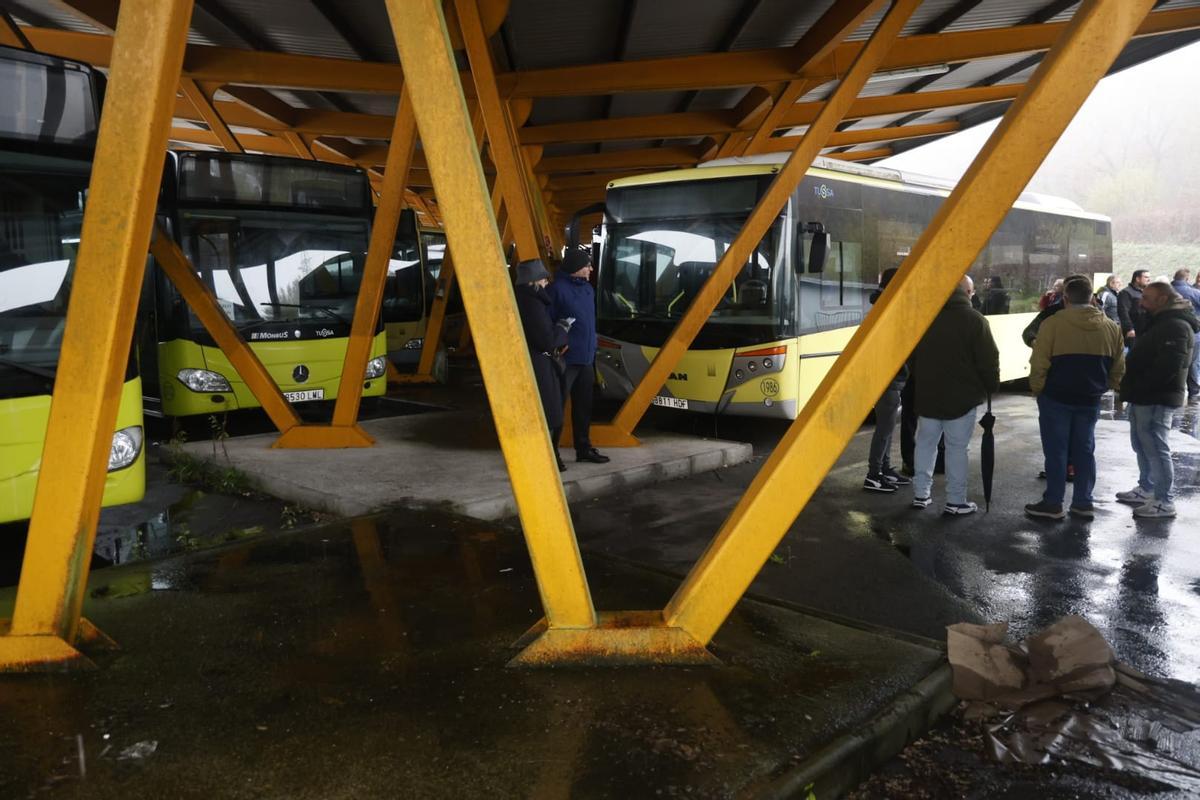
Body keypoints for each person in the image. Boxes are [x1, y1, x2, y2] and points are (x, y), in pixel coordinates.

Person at [1023, 277, 1124, 520]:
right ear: (1092, 298)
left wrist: (1039, 390)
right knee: (1085, 450)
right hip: (1089, 399)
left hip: (1055, 398)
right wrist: (1102, 388)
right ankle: (1083, 502)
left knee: (1056, 452)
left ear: (1065, 299)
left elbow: (1039, 362)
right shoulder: (1111, 327)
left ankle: (1053, 503)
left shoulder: (1052, 324)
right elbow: (1119, 368)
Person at [911, 276, 1000, 516]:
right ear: (968, 291)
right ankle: (955, 501)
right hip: (962, 399)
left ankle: (921, 494)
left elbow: (912, 356)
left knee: (925, 444)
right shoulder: (975, 320)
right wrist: (991, 386)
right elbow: (988, 361)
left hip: (927, 395)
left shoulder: (925, 318)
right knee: (957, 449)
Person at [1117, 282, 1200, 518]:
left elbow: (1170, 366)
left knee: (1155, 446)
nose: (1141, 302)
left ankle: (1164, 501)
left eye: (1147, 298)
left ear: (1163, 299)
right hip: (1145, 395)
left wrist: (1140, 388)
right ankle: (1147, 488)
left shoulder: (1176, 325)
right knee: (1143, 444)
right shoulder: (1162, 321)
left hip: (1155, 397)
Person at [547, 246, 610, 464]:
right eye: (587, 265)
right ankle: (552, 454)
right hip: (566, 359)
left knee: (584, 407)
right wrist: (557, 344)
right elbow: (548, 322)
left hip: (586, 359)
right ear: (575, 267)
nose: (591, 269)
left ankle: (583, 449)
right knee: (557, 408)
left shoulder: (588, 290)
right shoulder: (556, 290)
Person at [514, 258, 571, 472]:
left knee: (546, 414)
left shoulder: (526, 300)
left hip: (536, 363)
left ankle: (543, 459)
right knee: (548, 415)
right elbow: (545, 340)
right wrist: (563, 329)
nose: (547, 283)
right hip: (539, 366)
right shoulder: (532, 304)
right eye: (544, 279)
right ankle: (543, 461)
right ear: (534, 281)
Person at [863, 268, 911, 493]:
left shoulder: (882, 307)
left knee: (888, 426)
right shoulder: (888, 311)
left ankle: (884, 467)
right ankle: (874, 475)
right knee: (884, 427)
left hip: (890, 377)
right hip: (887, 378)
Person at [1169, 268, 1200, 401]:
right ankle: (1193, 391)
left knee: (1172, 360)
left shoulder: (1165, 291)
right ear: (1187, 279)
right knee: (1192, 362)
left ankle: (1173, 389)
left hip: (1169, 333)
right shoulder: (1195, 293)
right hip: (1194, 334)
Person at [1117, 269, 1150, 347]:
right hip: (1134, 332)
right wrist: (1129, 328)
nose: (1149, 279)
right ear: (1137, 279)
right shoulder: (1126, 292)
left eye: (1149, 277)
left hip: (1145, 330)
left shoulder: (1145, 292)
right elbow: (1123, 312)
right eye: (1146, 277)